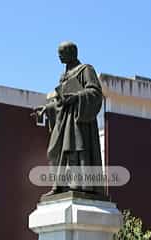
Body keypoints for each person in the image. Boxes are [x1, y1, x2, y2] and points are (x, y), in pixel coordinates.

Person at [33, 41, 104, 196]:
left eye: (62, 53)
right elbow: (60, 100)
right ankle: (60, 185)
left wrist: (76, 97)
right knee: (54, 151)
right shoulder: (63, 76)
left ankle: (77, 185)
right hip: (64, 119)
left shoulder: (86, 69)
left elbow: (95, 93)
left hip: (78, 118)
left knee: (75, 150)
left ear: (72, 53)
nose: (59, 56)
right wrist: (48, 107)